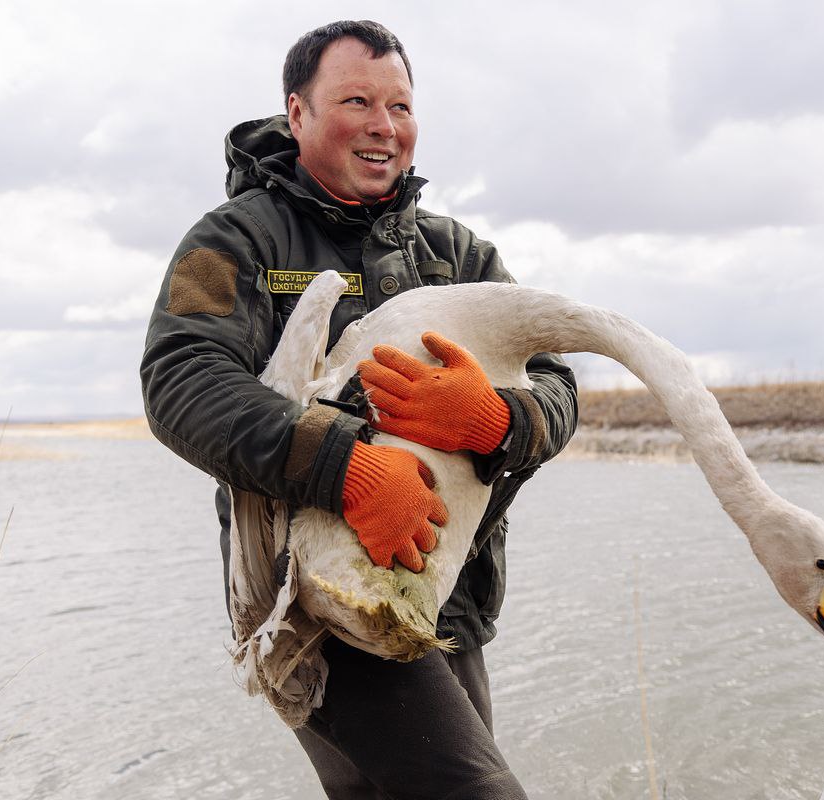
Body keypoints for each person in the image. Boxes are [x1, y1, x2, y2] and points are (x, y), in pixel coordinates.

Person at [140, 20, 578, 800]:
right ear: (298, 112)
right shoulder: (232, 242)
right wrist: (345, 467)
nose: (385, 126)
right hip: (319, 597)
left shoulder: (462, 257)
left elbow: (557, 384)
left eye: (401, 106)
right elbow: (181, 378)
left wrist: (497, 421)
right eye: (357, 101)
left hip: (453, 598)